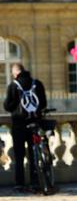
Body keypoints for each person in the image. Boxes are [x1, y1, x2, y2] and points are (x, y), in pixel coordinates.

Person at [4, 63, 47, 192]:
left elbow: (7, 106)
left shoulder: (13, 85)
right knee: (34, 154)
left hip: (19, 125)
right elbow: (43, 103)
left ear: (15, 73)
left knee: (19, 155)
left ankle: (20, 184)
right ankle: (35, 182)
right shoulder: (37, 83)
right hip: (35, 124)